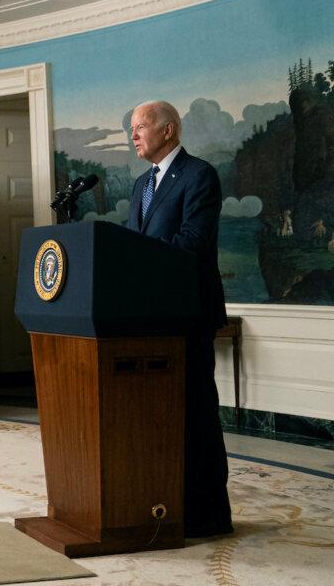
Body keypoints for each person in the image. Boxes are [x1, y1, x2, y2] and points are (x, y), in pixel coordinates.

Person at [126, 100, 232, 538]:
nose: (133, 134)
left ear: (168, 130)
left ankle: (207, 516)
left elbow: (192, 241)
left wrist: (137, 259)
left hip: (188, 315)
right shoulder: (139, 185)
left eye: (141, 126)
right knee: (159, 417)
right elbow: (133, 245)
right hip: (149, 318)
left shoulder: (199, 175)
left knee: (196, 413)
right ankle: (165, 505)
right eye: (131, 127)